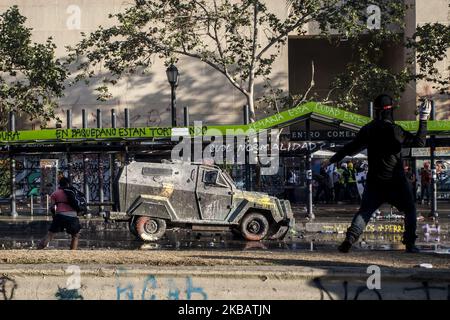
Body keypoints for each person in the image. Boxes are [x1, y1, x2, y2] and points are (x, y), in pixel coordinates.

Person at [328, 94, 431, 253]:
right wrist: (423, 118)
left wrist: (333, 159)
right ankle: (410, 244)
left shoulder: (368, 129)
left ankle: (349, 240)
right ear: (391, 111)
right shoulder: (395, 130)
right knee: (410, 209)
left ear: (376, 110)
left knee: (365, 212)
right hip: (396, 181)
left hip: (375, 181)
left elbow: (351, 148)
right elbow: (419, 143)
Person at [38, 177, 81, 250]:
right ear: (68, 184)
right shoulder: (73, 192)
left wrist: (54, 216)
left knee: (50, 234)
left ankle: (38, 249)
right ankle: (73, 252)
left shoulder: (55, 193)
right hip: (72, 216)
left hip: (60, 215)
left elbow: (52, 207)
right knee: (75, 235)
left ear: (59, 184)